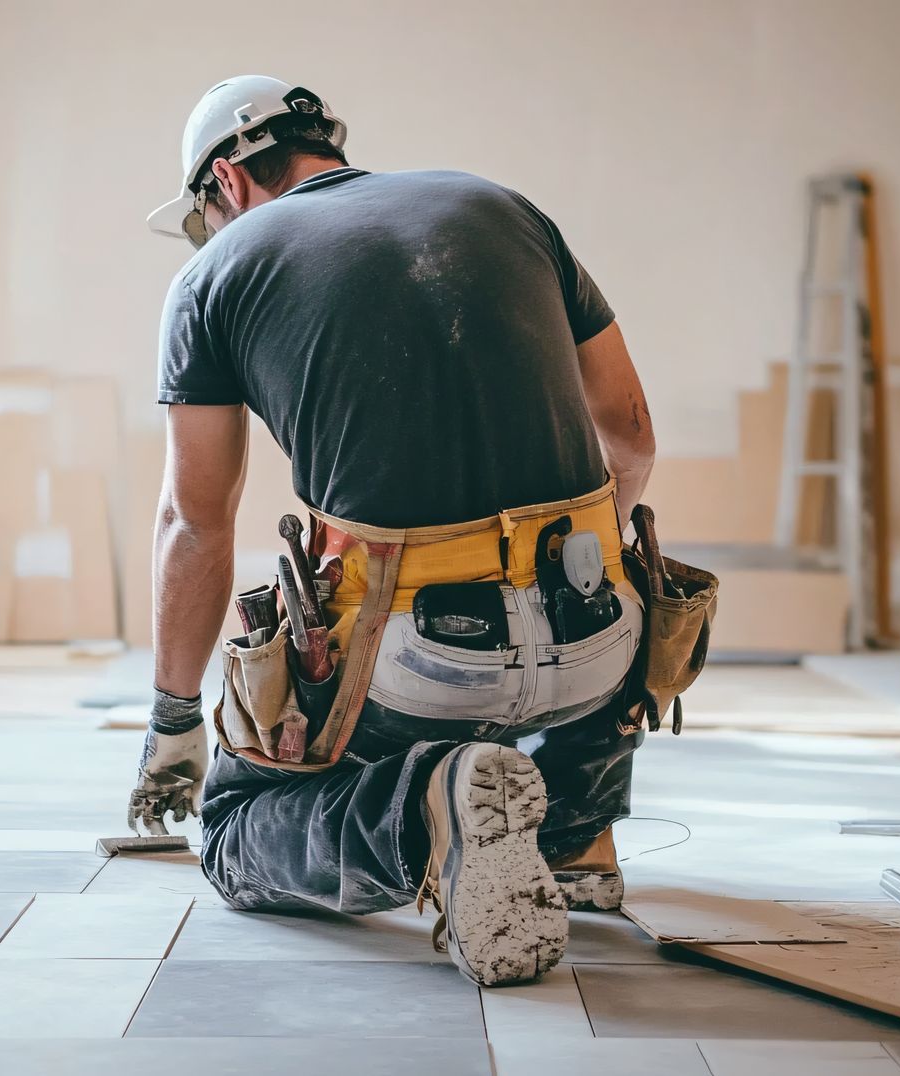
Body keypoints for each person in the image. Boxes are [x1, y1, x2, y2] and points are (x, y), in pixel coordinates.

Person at [128, 75, 657, 987]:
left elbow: (195, 522)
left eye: (203, 215)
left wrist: (176, 721)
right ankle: (576, 837)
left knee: (234, 830)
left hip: (419, 658)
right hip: (598, 645)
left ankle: (430, 809)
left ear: (227, 181)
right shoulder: (504, 207)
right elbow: (630, 438)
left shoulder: (214, 273)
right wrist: (570, 576)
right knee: (603, 578)